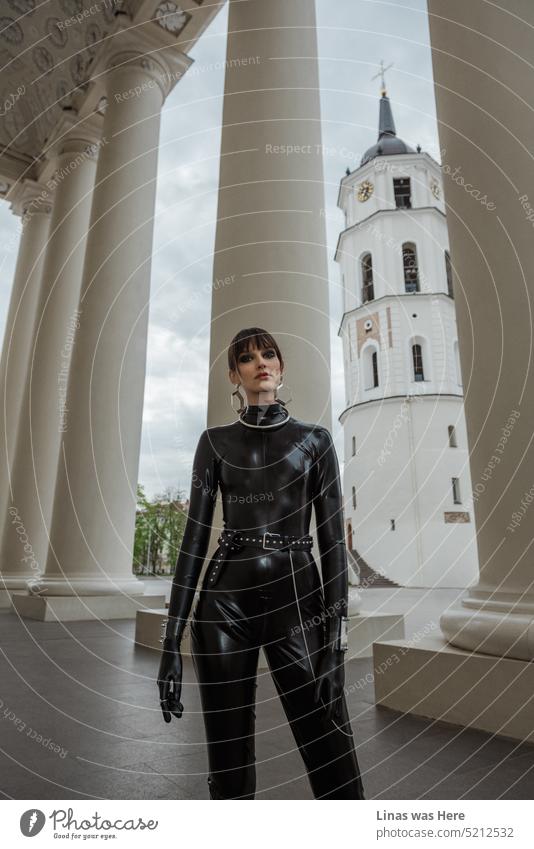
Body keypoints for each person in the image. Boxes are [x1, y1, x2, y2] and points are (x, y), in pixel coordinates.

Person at [157, 327, 366, 800]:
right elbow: (194, 540)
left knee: (332, 750)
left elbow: (333, 545)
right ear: (236, 374)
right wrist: (171, 639)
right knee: (228, 766)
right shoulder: (214, 443)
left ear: (281, 367)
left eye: (268, 354)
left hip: (298, 602)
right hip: (223, 605)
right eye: (247, 358)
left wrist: (336, 644)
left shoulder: (316, 441)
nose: (260, 363)